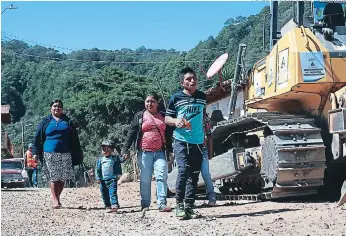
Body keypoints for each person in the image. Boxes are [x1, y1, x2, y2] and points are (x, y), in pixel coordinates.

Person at [165, 67, 206, 219]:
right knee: (183, 171)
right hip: (181, 141)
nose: (193, 81)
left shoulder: (202, 97)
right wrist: (176, 121)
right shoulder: (175, 98)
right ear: (182, 82)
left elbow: (202, 116)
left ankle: (189, 206)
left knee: (195, 175)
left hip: (198, 142)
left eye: (194, 78)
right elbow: (167, 119)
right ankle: (179, 205)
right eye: (188, 79)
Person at [122, 92, 172, 212]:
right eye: (147, 101)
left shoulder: (164, 116)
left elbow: (169, 134)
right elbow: (131, 133)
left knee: (161, 176)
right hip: (144, 152)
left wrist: (170, 150)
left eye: (153, 101)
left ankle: (162, 203)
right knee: (145, 178)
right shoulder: (139, 116)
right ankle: (145, 204)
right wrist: (125, 149)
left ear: (157, 103)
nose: (150, 103)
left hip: (160, 152)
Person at [32, 99, 83, 209]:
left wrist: (77, 153)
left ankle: (57, 197)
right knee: (54, 176)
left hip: (65, 152)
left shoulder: (67, 121)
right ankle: (55, 200)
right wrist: (35, 152)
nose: (57, 108)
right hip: (49, 152)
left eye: (59, 106)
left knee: (63, 177)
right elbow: (37, 137)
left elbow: (75, 139)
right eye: (54, 106)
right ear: (51, 108)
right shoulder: (45, 122)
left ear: (62, 109)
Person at [95, 140, 126, 213]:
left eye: (108, 149)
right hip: (103, 180)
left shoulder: (115, 158)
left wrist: (125, 157)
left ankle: (114, 205)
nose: (105, 151)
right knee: (104, 193)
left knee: (112, 192)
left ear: (112, 150)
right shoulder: (100, 160)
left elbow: (121, 160)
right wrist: (98, 178)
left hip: (112, 179)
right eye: (103, 149)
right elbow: (97, 170)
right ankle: (107, 205)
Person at [200, 114, 216, 206]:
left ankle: (212, 197)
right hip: (192, 149)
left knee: (206, 174)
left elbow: (209, 136)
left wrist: (210, 152)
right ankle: (189, 199)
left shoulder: (204, 118)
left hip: (203, 149)